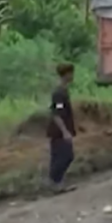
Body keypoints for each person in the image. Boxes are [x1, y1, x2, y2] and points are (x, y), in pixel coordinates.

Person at [46, 63, 76, 193]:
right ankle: (54, 182)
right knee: (65, 156)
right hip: (58, 131)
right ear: (66, 74)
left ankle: (58, 183)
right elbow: (57, 115)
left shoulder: (63, 90)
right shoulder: (58, 93)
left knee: (60, 156)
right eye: (71, 73)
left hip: (62, 130)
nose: (72, 76)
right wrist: (65, 132)